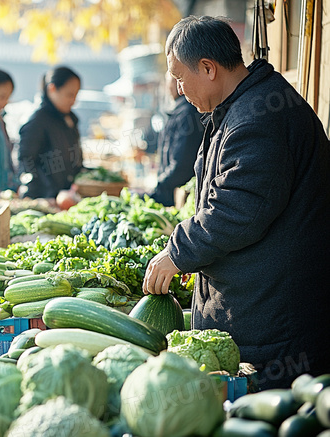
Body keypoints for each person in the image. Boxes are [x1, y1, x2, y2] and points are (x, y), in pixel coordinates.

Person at [142, 16, 330, 389]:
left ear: (208, 68)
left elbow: (238, 208)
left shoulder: (256, 120)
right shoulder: (244, 106)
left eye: (180, 77)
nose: (178, 89)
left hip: (276, 320)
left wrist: (178, 252)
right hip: (265, 306)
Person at [17, 66, 84, 199]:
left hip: (66, 196)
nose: (73, 101)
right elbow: (26, 162)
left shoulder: (68, 118)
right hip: (46, 199)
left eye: (76, 95)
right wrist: (47, 195)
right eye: (69, 95)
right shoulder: (36, 121)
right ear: (52, 89)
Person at [147, 71, 204, 206]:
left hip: (178, 196)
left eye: (168, 82)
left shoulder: (187, 113)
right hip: (172, 192)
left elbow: (181, 163)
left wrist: (161, 185)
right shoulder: (180, 110)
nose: (167, 87)